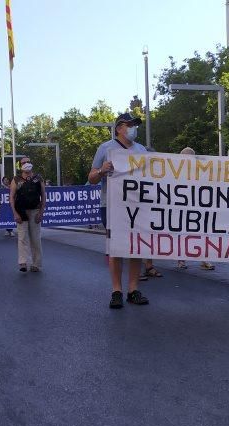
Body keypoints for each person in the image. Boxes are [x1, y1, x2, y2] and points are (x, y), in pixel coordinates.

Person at [88, 112, 150, 308]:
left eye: (135, 124)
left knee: (135, 247)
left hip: (136, 205)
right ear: (119, 128)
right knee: (115, 247)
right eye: (130, 124)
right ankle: (116, 290)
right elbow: (91, 177)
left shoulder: (141, 150)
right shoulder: (105, 148)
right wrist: (101, 170)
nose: (133, 128)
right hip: (112, 205)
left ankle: (133, 289)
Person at [175, 147, 214, 271]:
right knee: (183, 233)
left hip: (197, 206)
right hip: (182, 206)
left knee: (202, 232)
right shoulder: (175, 171)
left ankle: (204, 259)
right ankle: (181, 259)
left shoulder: (200, 171)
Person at [10, 157, 45, 272]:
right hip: (21, 212)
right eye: (23, 163)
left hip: (35, 211)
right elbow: (11, 198)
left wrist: (41, 212)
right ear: (20, 166)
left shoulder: (38, 178)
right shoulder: (16, 180)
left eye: (28, 162)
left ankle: (36, 264)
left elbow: (43, 196)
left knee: (35, 238)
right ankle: (23, 262)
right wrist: (15, 213)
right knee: (22, 238)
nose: (26, 164)